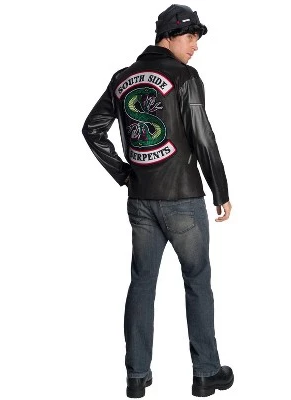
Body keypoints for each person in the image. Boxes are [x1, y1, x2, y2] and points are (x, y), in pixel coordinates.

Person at [82, 4, 234, 398]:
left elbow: (92, 129)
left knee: (142, 283)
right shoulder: (185, 77)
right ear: (168, 36)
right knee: (197, 282)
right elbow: (202, 136)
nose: (195, 46)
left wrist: (125, 173)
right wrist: (220, 190)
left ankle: (136, 376)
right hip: (183, 199)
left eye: (197, 39)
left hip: (141, 201)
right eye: (190, 37)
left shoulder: (122, 78)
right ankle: (206, 374)